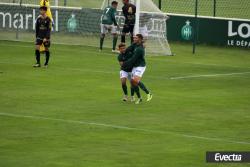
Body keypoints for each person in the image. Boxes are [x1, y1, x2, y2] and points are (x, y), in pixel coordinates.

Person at [122, 34, 153, 104]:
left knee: (134, 80)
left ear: (139, 39)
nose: (134, 39)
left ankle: (149, 93)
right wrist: (123, 52)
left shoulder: (140, 49)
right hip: (135, 66)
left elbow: (133, 59)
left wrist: (125, 63)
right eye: (134, 38)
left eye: (136, 38)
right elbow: (129, 48)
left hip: (140, 66)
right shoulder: (135, 44)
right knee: (133, 83)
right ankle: (139, 98)